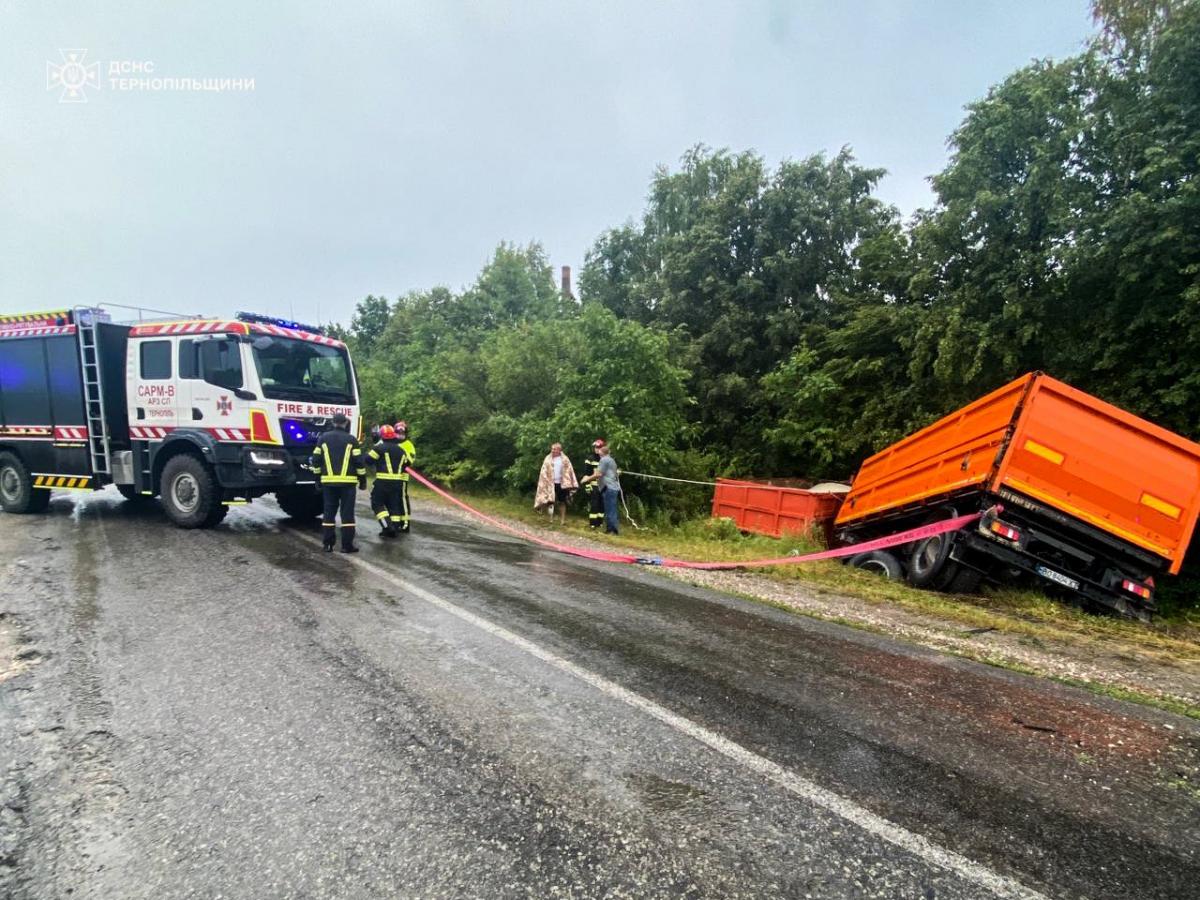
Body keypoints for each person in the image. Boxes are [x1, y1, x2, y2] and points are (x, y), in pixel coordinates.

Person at [310, 412, 366, 552]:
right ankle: (347, 546)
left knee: (329, 512)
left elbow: (316, 460)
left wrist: (317, 478)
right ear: (346, 423)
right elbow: (359, 462)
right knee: (347, 514)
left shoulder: (323, 439)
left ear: (333, 422)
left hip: (328, 483)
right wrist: (363, 480)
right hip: (348, 484)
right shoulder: (352, 440)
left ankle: (328, 545)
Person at [367, 424, 411, 537]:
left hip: (382, 481)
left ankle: (387, 526)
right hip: (397, 483)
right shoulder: (401, 450)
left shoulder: (379, 448)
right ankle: (395, 527)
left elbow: (368, 460)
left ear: (381, 436)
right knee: (393, 505)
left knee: (377, 504)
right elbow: (407, 464)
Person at [534, 442, 578, 525]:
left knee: (562, 501)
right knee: (550, 501)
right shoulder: (548, 458)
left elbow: (569, 471)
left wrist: (569, 482)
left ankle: (562, 520)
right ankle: (550, 519)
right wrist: (544, 481)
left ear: (559, 450)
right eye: (552, 449)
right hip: (551, 483)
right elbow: (543, 471)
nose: (552, 450)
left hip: (562, 484)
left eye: (554, 449)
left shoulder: (565, 459)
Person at [393, 420, 416, 532]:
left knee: (402, 498)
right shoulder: (391, 442)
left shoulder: (408, 445)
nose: (400, 435)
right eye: (398, 432)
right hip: (391, 476)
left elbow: (411, 459)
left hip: (402, 476)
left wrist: (403, 461)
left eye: (402, 433)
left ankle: (406, 523)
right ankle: (396, 523)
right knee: (393, 500)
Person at [581, 439, 606, 529]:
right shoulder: (590, 459)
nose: (596, 449)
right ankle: (593, 523)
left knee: (602, 505)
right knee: (594, 505)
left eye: (599, 447)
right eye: (595, 447)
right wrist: (587, 486)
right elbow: (586, 474)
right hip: (594, 485)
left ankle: (600, 523)